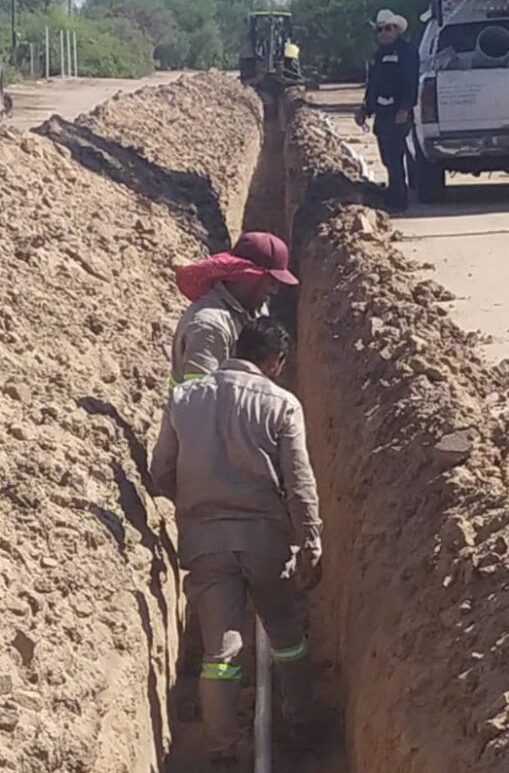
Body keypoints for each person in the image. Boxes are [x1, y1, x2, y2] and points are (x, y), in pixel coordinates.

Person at [151, 318, 323, 769]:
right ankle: (302, 722)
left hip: (205, 542)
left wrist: (197, 505)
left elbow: (161, 473)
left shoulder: (183, 399)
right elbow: (299, 482)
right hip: (266, 540)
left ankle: (221, 750)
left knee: (221, 652)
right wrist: (311, 541)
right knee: (286, 636)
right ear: (274, 362)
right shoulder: (282, 404)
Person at [170, 231, 299, 388]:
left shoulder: (256, 308)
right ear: (247, 275)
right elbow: (202, 400)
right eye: (271, 282)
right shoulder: (209, 326)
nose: (275, 290)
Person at [355, 9, 419, 213]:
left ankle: (399, 201)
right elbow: (373, 85)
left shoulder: (406, 53)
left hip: (398, 113)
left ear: (397, 30)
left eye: (388, 28)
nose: (384, 33)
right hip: (382, 114)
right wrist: (365, 109)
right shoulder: (378, 56)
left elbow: (411, 83)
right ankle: (394, 194)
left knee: (395, 156)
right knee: (387, 157)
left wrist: (405, 108)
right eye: (380, 29)